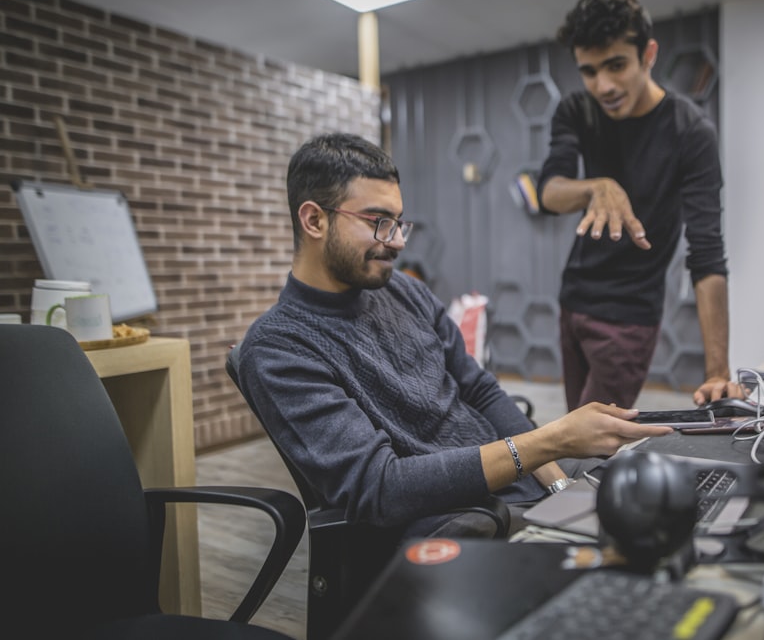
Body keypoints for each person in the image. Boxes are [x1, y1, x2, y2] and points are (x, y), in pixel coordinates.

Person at [236, 132, 674, 539]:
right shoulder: (280, 348)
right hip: (457, 521)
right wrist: (548, 442)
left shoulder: (403, 290)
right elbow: (381, 487)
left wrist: (557, 480)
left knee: (660, 488)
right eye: (377, 221)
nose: (396, 242)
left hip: (514, 482)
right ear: (314, 220)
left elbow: (480, 391)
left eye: (398, 223)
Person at [538, 0, 742, 411]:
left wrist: (718, 371)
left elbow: (707, 256)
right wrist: (596, 186)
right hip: (572, 302)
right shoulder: (577, 110)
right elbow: (550, 192)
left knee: (592, 444)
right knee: (577, 428)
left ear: (648, 55)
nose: (604, 85)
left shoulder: (690, 132)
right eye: (590, 71)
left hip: (628, 316)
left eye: (616, 65)